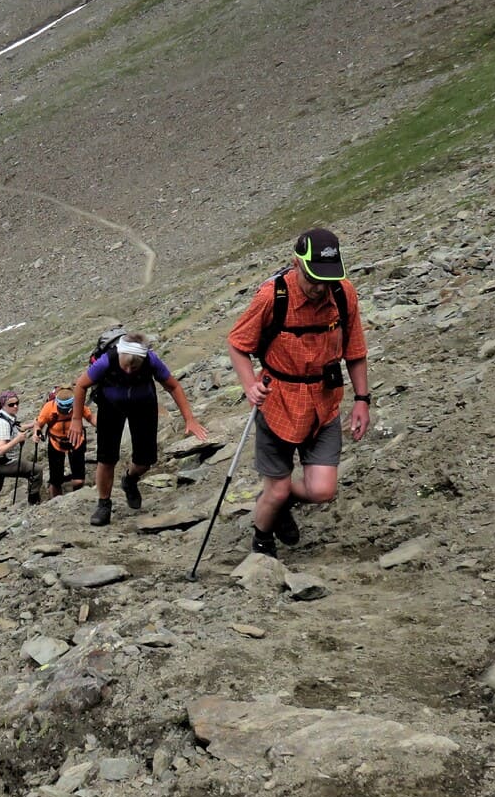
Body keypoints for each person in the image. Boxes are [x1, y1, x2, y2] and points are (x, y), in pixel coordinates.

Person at [226, 227, 371, 555]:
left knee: (322, 491)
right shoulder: (272, 296)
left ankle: (278, 502)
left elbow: (356, 350)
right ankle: (262, 537)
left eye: (327, 280)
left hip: (324, 403)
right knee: (274, 492)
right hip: (278, 402)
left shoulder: (344, 294)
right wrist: (249, 384)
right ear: (296, 264)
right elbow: (238, 344)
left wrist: (362, 400)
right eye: (313, 278)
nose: (320, 288)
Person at [69, 332, 208, 526]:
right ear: (120, 355)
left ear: (143, 360)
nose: (128, 370)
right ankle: (103, 504)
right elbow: (81, 385)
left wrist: (189, 419)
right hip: (111, 405)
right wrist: (76, 419)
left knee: (145, 460)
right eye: (125, 365)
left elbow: (173, 386)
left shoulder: (151, 360)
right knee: (106, 458)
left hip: (143, 405)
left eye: (134, 366)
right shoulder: (107, 360)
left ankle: (129, 479)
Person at [0, 391, 40, 520]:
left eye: (17, 403)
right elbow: (0, 450)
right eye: (11, 404)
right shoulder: (3, 424)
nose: (15, 406)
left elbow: (16, 426)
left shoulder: (4, 417)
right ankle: (33, 502)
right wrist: (18, 439)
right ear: (3, 405)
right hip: (4, 462)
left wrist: (31, 425)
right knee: (36, 470)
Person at [34, 384, 94, 498]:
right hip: (56, 443)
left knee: (79, 480)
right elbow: (39, 423)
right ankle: (55, 500)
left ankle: (77, 496)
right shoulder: (48, 408)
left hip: (76, 441)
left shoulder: (79, 406)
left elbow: (90, 417)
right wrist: (36, 432)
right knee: (56, 481)